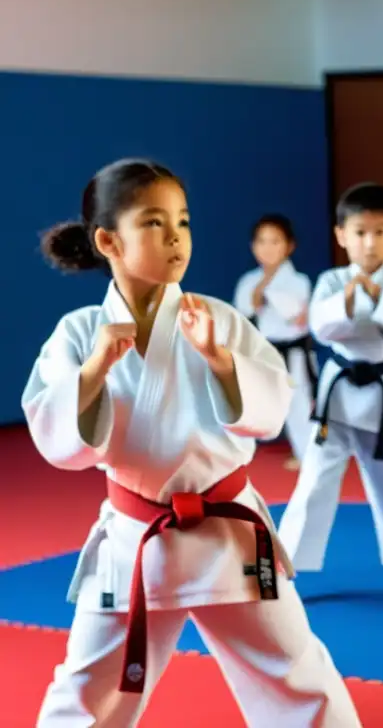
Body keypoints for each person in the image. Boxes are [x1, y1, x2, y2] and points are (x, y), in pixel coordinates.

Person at [23, 159, 363, 727]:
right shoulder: (81, 333)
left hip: (230, 535)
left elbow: (272, 408)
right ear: (108, 240)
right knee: (88, 689)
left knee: (296, 673)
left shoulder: (218, 320)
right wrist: (94, 370)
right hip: (137, 539)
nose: (176, 236)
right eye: (154, 223)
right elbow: (58, 439)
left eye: (182, 221)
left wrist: (218, 360)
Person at [276, 183, 383, 599]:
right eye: (360, 232)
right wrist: (348, 300)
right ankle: (287, 567)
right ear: (341, 235)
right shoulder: (331, 282)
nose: (370, 242)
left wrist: (378, 296)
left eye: (380, 232)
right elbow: (322, 329)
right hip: (337, 398)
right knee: (312, 483)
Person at [233, 214, 318, 471]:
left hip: (292, 354)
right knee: (243, 403)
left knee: (298, 405)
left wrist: (270, 294)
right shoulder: (248, 281)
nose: (267, 248)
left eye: (275, 242)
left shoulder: (299, 281)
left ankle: (309, 457)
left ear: (289, 246)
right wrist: (259, 291)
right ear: (253, 247)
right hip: (261, 352)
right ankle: (231, 457)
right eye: (262, 242)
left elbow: (299, 318)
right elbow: (244, 313)